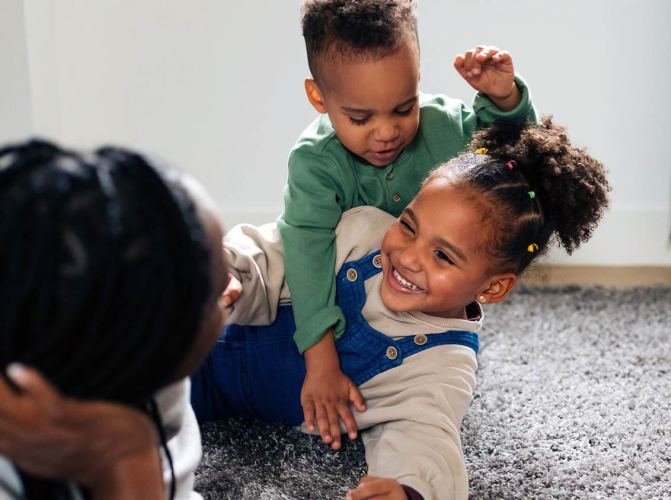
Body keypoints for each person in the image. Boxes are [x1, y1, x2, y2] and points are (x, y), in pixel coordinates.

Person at [194, 118, 610, 499]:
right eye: (409, 225)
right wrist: (229, 269)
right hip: (198, 321)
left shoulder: (444, 362)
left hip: (211, 397)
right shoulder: (362, 232)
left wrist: (407, 489)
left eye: (443, 256)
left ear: (493, 287)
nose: (408, 256)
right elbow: (277, 250)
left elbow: (425, 435)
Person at [282, 0, 538, 450]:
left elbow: (517, 165)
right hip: (351, 296)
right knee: (278, 255)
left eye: (404, 108)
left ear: (418, 78)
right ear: (318, 98)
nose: (386, 132)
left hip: (426, 306)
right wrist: (321, 361)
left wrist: (505, 100)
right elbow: (305, 255)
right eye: (360, 118)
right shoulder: (315, 162)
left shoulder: (449, 127)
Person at [0, 140, 234, 499]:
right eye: (217, 291)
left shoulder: (156, 382)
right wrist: (122, 456)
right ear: (157, 338)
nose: (232, 280)